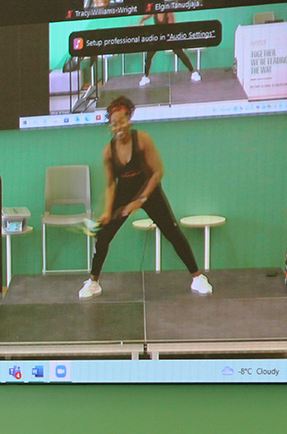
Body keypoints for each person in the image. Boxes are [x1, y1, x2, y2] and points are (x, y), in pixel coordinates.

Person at [79, 96, 211, 298]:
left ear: (129, 119)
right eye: (114, 124)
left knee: (172, 232)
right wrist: (107, 212)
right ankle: (93, 282)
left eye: (122, 122)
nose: (118, 127)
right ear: (110, 127)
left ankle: (198, 277)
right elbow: (109, 184)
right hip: (124, 192)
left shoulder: (142, 139)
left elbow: (157, 172)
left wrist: (139, 201)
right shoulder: (108, 151)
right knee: (103, 237)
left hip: (149, 189)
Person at [137, 13, 201, 87]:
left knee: (179, 52)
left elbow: (172, 26)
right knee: (149, 55)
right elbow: (145, 17)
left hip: (169, 36)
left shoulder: (169, 13)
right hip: (158, 38)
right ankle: (146, 76)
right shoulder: (154, 11)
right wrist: (140, 23)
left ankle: (193, 72)